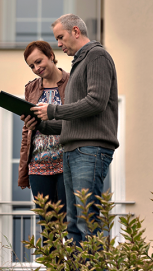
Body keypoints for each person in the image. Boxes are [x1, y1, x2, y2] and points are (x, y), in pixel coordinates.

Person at [24, 14, 119, 245]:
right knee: (75, 225)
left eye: (60, 37)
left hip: (90, 151)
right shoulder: (80, 62)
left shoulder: (97, 55)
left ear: (75, 31)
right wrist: (41, 124)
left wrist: (54, 111)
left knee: (86, 221)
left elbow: (96, 102)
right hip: (74, 150)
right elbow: (74, 119)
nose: (58, 44)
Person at [18, 41, 69, 226]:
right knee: (47, 226)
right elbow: (27, 133)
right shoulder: (30, 88)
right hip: (38, 165)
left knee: (69, 223)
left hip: (66, 161)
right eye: (32, 66)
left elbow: (77, 119)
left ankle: (72, 257)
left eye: (39, 61)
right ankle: (51, 258)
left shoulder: (72, 82)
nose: (36, 68)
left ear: (51, 56)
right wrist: (24, 167)